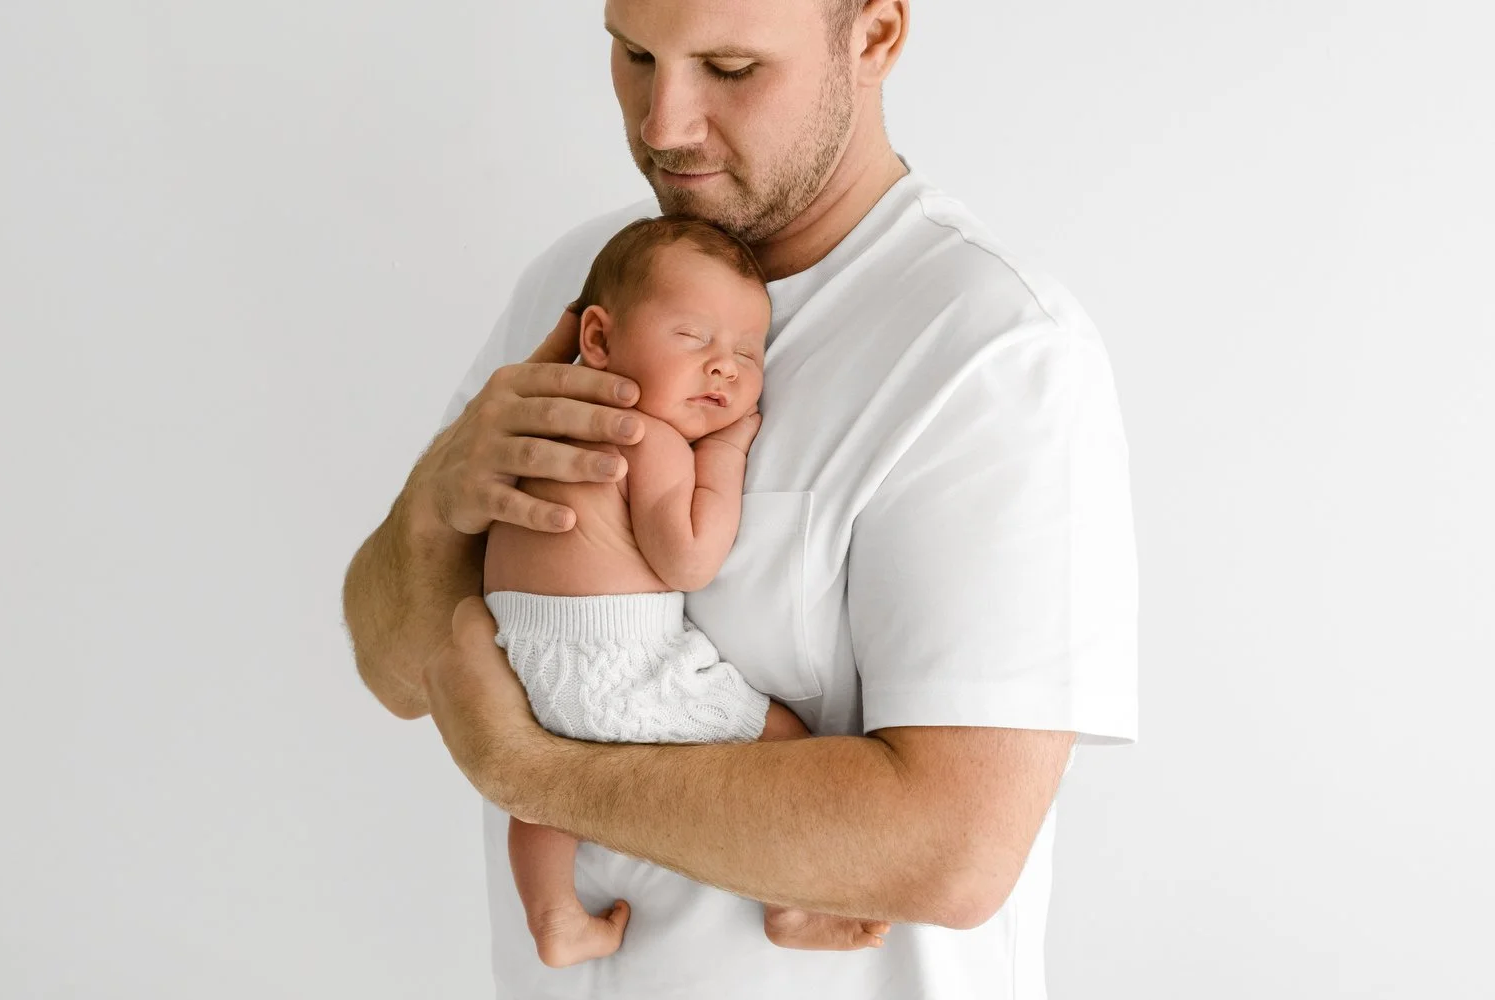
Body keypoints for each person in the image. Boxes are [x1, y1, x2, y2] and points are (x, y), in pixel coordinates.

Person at [342, 1, 1138, 997]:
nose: (662, 123)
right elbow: (394, 670)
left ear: (875, 37)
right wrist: (435, 501)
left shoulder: (991, 350)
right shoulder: (582, 285)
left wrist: (532, 772)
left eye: (728, 67)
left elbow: (955, 850)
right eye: (635, 53)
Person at [491, 214, 890, 966]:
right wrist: (725, 456)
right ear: (599, 339)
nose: (725, 369)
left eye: (748, 352)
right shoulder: (647, 437)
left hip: (522, 661)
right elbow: (689, 559)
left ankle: (553, 918)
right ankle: (790, 898)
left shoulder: (534, 426)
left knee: (540, 787)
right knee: (784, 743)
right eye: (693, 338)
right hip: (617, 665)